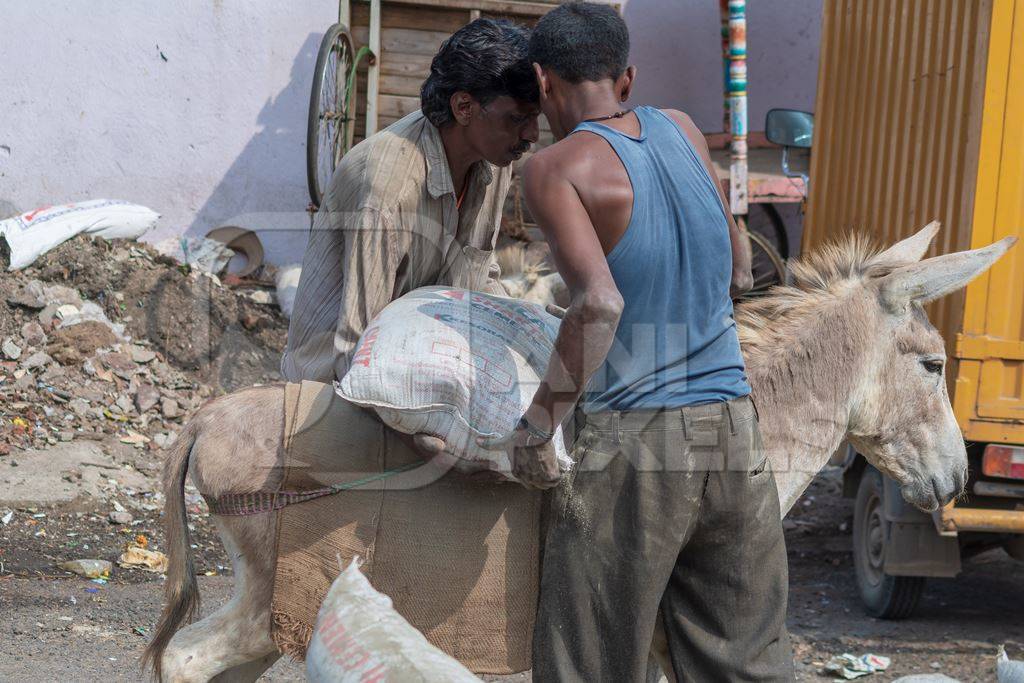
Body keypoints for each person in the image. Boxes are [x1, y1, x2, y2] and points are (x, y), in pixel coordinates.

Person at [483, 3, 793, 680]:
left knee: (588, 658)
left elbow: (598, 304)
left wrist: (537, 428)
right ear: (626, 79)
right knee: (743, 662)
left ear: (542, 82)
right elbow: (741, 266)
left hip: (637, 443)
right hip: (735, 433)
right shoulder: (681, 128)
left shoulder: (553, 169)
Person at [281, 18, 539, 387]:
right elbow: (356, 347)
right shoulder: (388, 187)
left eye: (535, 118)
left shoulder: (495, 160)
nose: (531, 135)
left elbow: (482, 275)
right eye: (518, 118)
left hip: (427, 353)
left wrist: (522, 331)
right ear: (464, 107)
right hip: (338, 382)